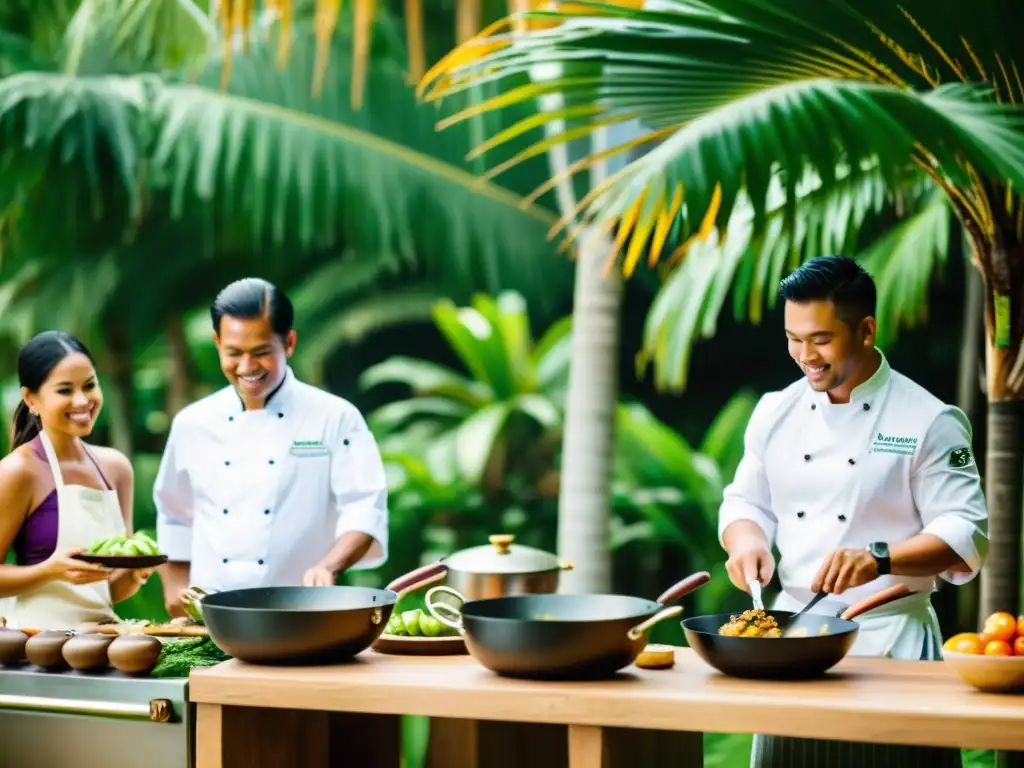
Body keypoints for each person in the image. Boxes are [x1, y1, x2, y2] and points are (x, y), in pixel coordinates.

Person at [719, 256, 988, 768]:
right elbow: (745, 500)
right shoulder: (775, 411)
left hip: (890, 643)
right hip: (793, 644)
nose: (804, 355)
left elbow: (966, 531)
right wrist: (747, 539)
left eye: (820, 338)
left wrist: (878, 558)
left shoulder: (928, 419)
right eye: (793, 339)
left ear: (866, 330)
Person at [155, 278, 389, 617]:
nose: (247, 368)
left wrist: (329, 566)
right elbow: (174, 514)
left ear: (289, 343)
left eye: (261, 353)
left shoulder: (334, 417)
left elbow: (364, 507)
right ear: (217, 342)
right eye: (233, 353)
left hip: (300, 614)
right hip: (210, 619)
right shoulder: (192, 423)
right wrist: (175, 587)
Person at [0, 331, 149, 630]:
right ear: (31, 399)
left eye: (90, 386)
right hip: (34, 644)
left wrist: (136, 574)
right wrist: (50, 571)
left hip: (102, 638)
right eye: (65, 390)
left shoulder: (116, 469)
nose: (82, 401)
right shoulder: (19, 471)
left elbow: (111, 591)